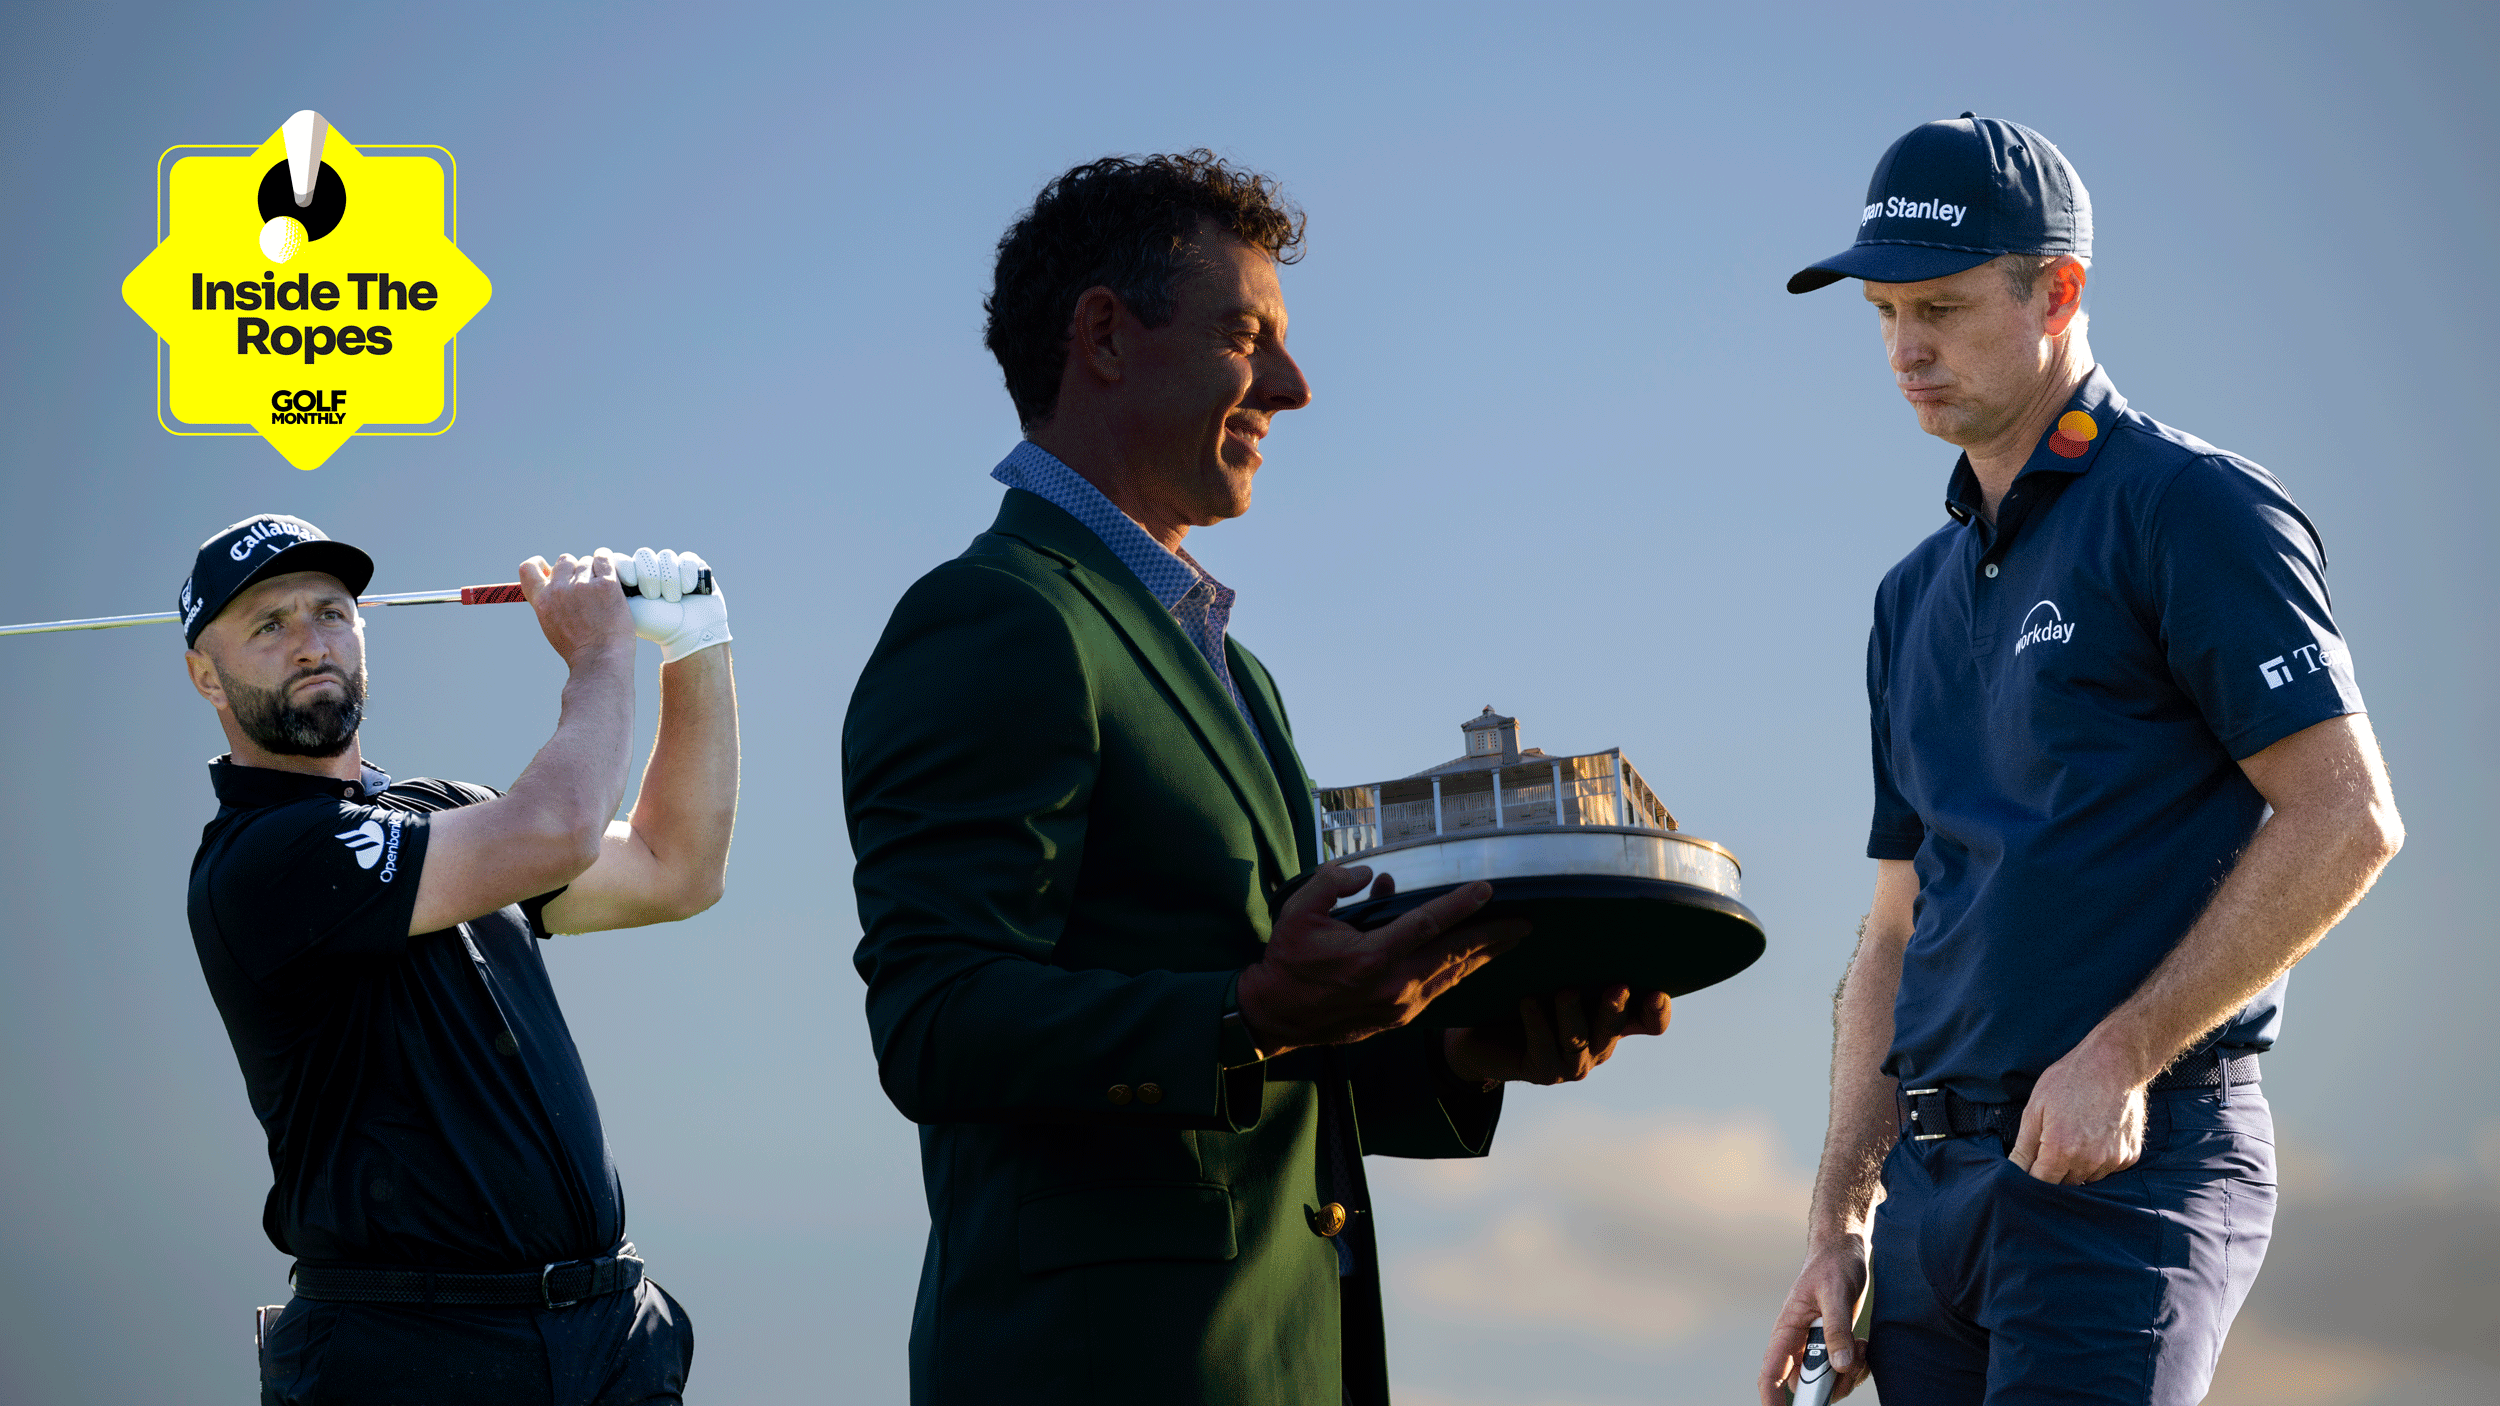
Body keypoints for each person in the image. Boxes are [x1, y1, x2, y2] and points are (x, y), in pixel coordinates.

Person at [843, 152, 1673, 1406]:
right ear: (1106, 337)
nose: (1292, 385)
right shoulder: (997, 617)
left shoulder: (1242, 674)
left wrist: (1459, 1040)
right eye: (1247, 338)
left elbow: (1272, 1045)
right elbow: (935, 1023)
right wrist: (1253, 1010)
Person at [1756, 116, 2405, 1406]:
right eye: (1882, 311)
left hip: (2129, 1165)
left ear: (2059, 292)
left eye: (1939, 305)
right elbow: (1892, 933)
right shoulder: (1907, 599)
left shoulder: (2191, 507)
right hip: (1931, 1211)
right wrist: (1838, 1216)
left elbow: (2346, 817)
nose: (1903, 348)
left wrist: (2123, 1050)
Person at [178, 514, 738, 1405]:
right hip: (408, 1354)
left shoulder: (442, 814)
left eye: (331, 614)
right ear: (204, 674)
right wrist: (600, 655)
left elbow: (678, 871)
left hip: (604, 1340)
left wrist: (694, 644)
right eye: (268, 625)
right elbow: (553, 830)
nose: (311, 644)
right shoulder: (259, 860)